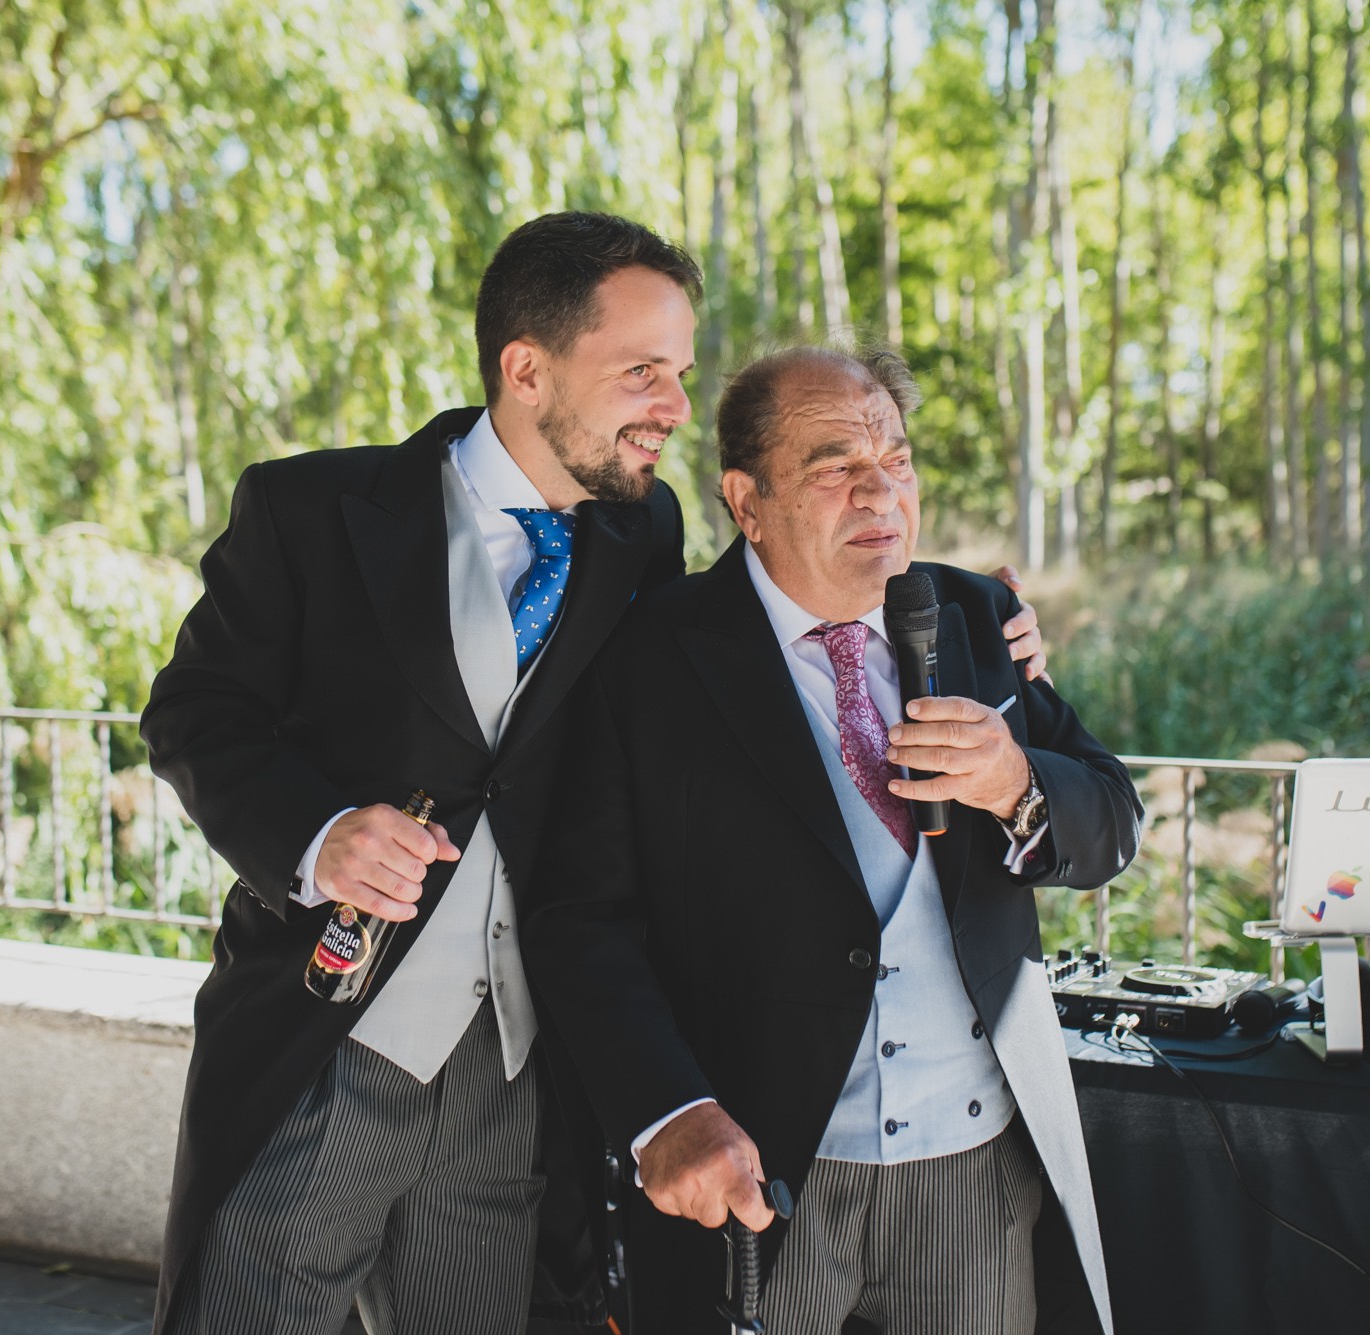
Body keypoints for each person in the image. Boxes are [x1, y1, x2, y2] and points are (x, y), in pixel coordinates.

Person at [143, 211, 1048, 1335]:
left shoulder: (642, 532)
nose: (671, 405)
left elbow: (780, 596)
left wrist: (975, 616)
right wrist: (316, 831)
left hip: (525, 1079)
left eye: (675, 371)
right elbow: (194, 711)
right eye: (639, 373)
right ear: (526, 370)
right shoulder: (313, 510)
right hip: (331, 1033)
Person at [523, 343, 1140, 1335]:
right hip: (761, 1181)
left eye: (895, 460)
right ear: (745, 499)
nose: (879, 491)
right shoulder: (644, 661)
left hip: (974, 1176)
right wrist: (664, 1112)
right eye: (833, 467)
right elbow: (577, 920)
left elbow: (1110, 822)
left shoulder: (977, 620)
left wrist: (1017, 782)